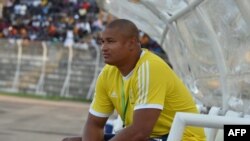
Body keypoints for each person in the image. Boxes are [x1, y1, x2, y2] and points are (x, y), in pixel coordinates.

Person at [62, 19, 206, 141]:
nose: (104, 48)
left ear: (131, 43)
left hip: (182, 138)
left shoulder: (149, 67)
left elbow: (140, 131)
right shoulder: (107, 74)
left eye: (111, 42)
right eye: (102, 42)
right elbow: (95, 124)